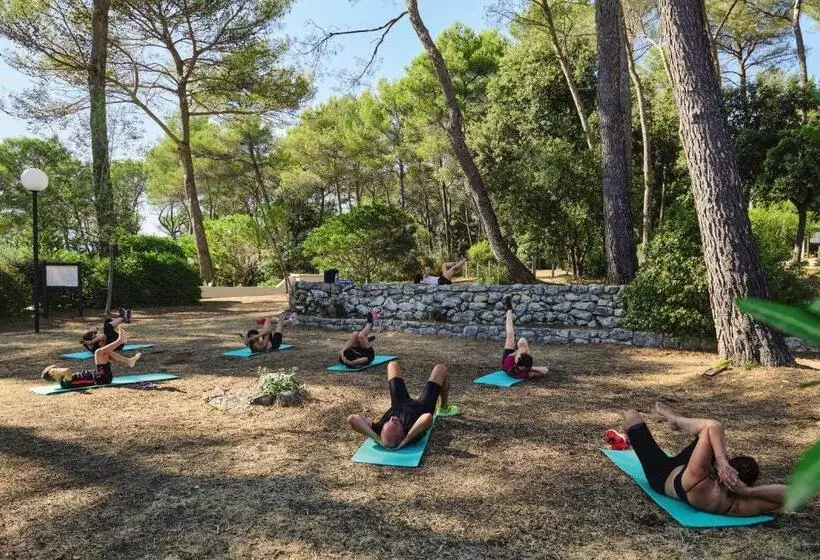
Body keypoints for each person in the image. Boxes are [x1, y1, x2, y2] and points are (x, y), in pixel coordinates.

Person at [621, 402, 786, 516]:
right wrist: (747, 491)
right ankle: (675, 420)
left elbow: (712, 425)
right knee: (716, 439)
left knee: (631, 415)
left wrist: (721, 461)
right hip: (687, 470)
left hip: (662, 475)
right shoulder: (739, 506)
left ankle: (675, 420)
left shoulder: (700, 478)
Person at [347, 361, 457, 449]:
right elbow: (427, 418)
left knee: (392, 365)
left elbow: (352, 419)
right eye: (395, 423)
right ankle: (443, 408)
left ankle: (443, 407)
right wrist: (406, 440)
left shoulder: (379, 430)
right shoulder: (412, 433)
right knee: (441, 368)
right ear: (403, 433)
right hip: (423, 406)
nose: (392, 418)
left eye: (388, 422)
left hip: (399, 402)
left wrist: (377, 438)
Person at [43, 327, 135, 388]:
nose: (59, 369)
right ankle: (120, 341)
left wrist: (55, 370)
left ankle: (129, 361)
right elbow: (68, 371)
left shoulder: (64, 381)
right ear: (54, 375)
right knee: (99, 352)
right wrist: (55, 370)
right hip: (101, 379)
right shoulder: (64, 383)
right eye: (56, 370)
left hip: (101, 376)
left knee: (105, 352)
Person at [501, 295, 550, 379]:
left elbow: (517, 352)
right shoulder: (524, 373)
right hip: (518, 357)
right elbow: (545, 370)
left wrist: (518, 352)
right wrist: (532, 368)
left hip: (508, 358)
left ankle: (509, 310)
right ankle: (509, 309)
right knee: (519, 339)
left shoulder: (509, 364)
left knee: (511, 335)